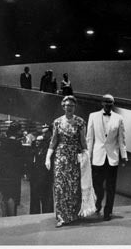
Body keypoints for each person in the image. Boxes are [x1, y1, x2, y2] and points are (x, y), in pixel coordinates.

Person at [45, 95, 88, 227]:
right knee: (60, 186)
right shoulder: (57, 122)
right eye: (67, 105)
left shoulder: (80, 122)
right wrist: (48, 157)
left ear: (75, 107)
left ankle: (74, 215)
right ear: (63, 107)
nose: (69, 108)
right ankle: (62, 217)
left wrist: (86, 155)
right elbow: (53, 141)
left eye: (71, 106)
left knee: (73, 186)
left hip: (74, 156)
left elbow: (83, 141)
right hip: (60, 156)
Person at [86, 94, 128, 221]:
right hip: (98, 157)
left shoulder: (119, 118)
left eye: (110, 102)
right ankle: (98, 200)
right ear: (102, 103)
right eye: (106, 102)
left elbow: (122, 138)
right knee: (97, 184)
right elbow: (89, 138)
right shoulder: (92, 116)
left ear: (113, 104)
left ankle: (108, 211)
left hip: (112, 158)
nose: (108, 104)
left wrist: (124, 155)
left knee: (111, 186)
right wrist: (88, 155)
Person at [0, 121, 24, 216]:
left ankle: (4, 217)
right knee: (12, 196)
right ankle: (12, 219)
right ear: (17, 132)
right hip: (14, 174)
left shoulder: (3, 143)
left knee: (4, 196)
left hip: (3, 173)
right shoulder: (18, 144)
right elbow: (21, 161)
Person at [30, 135, 54, 214]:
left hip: (45, 177)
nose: (37, 143)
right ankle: (35, 214)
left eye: (40, 141)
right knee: (35, 199)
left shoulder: (46, 152)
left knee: (46, 199)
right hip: (36, 177)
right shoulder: (33, 151)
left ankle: (47, 213)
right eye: (36, 141)